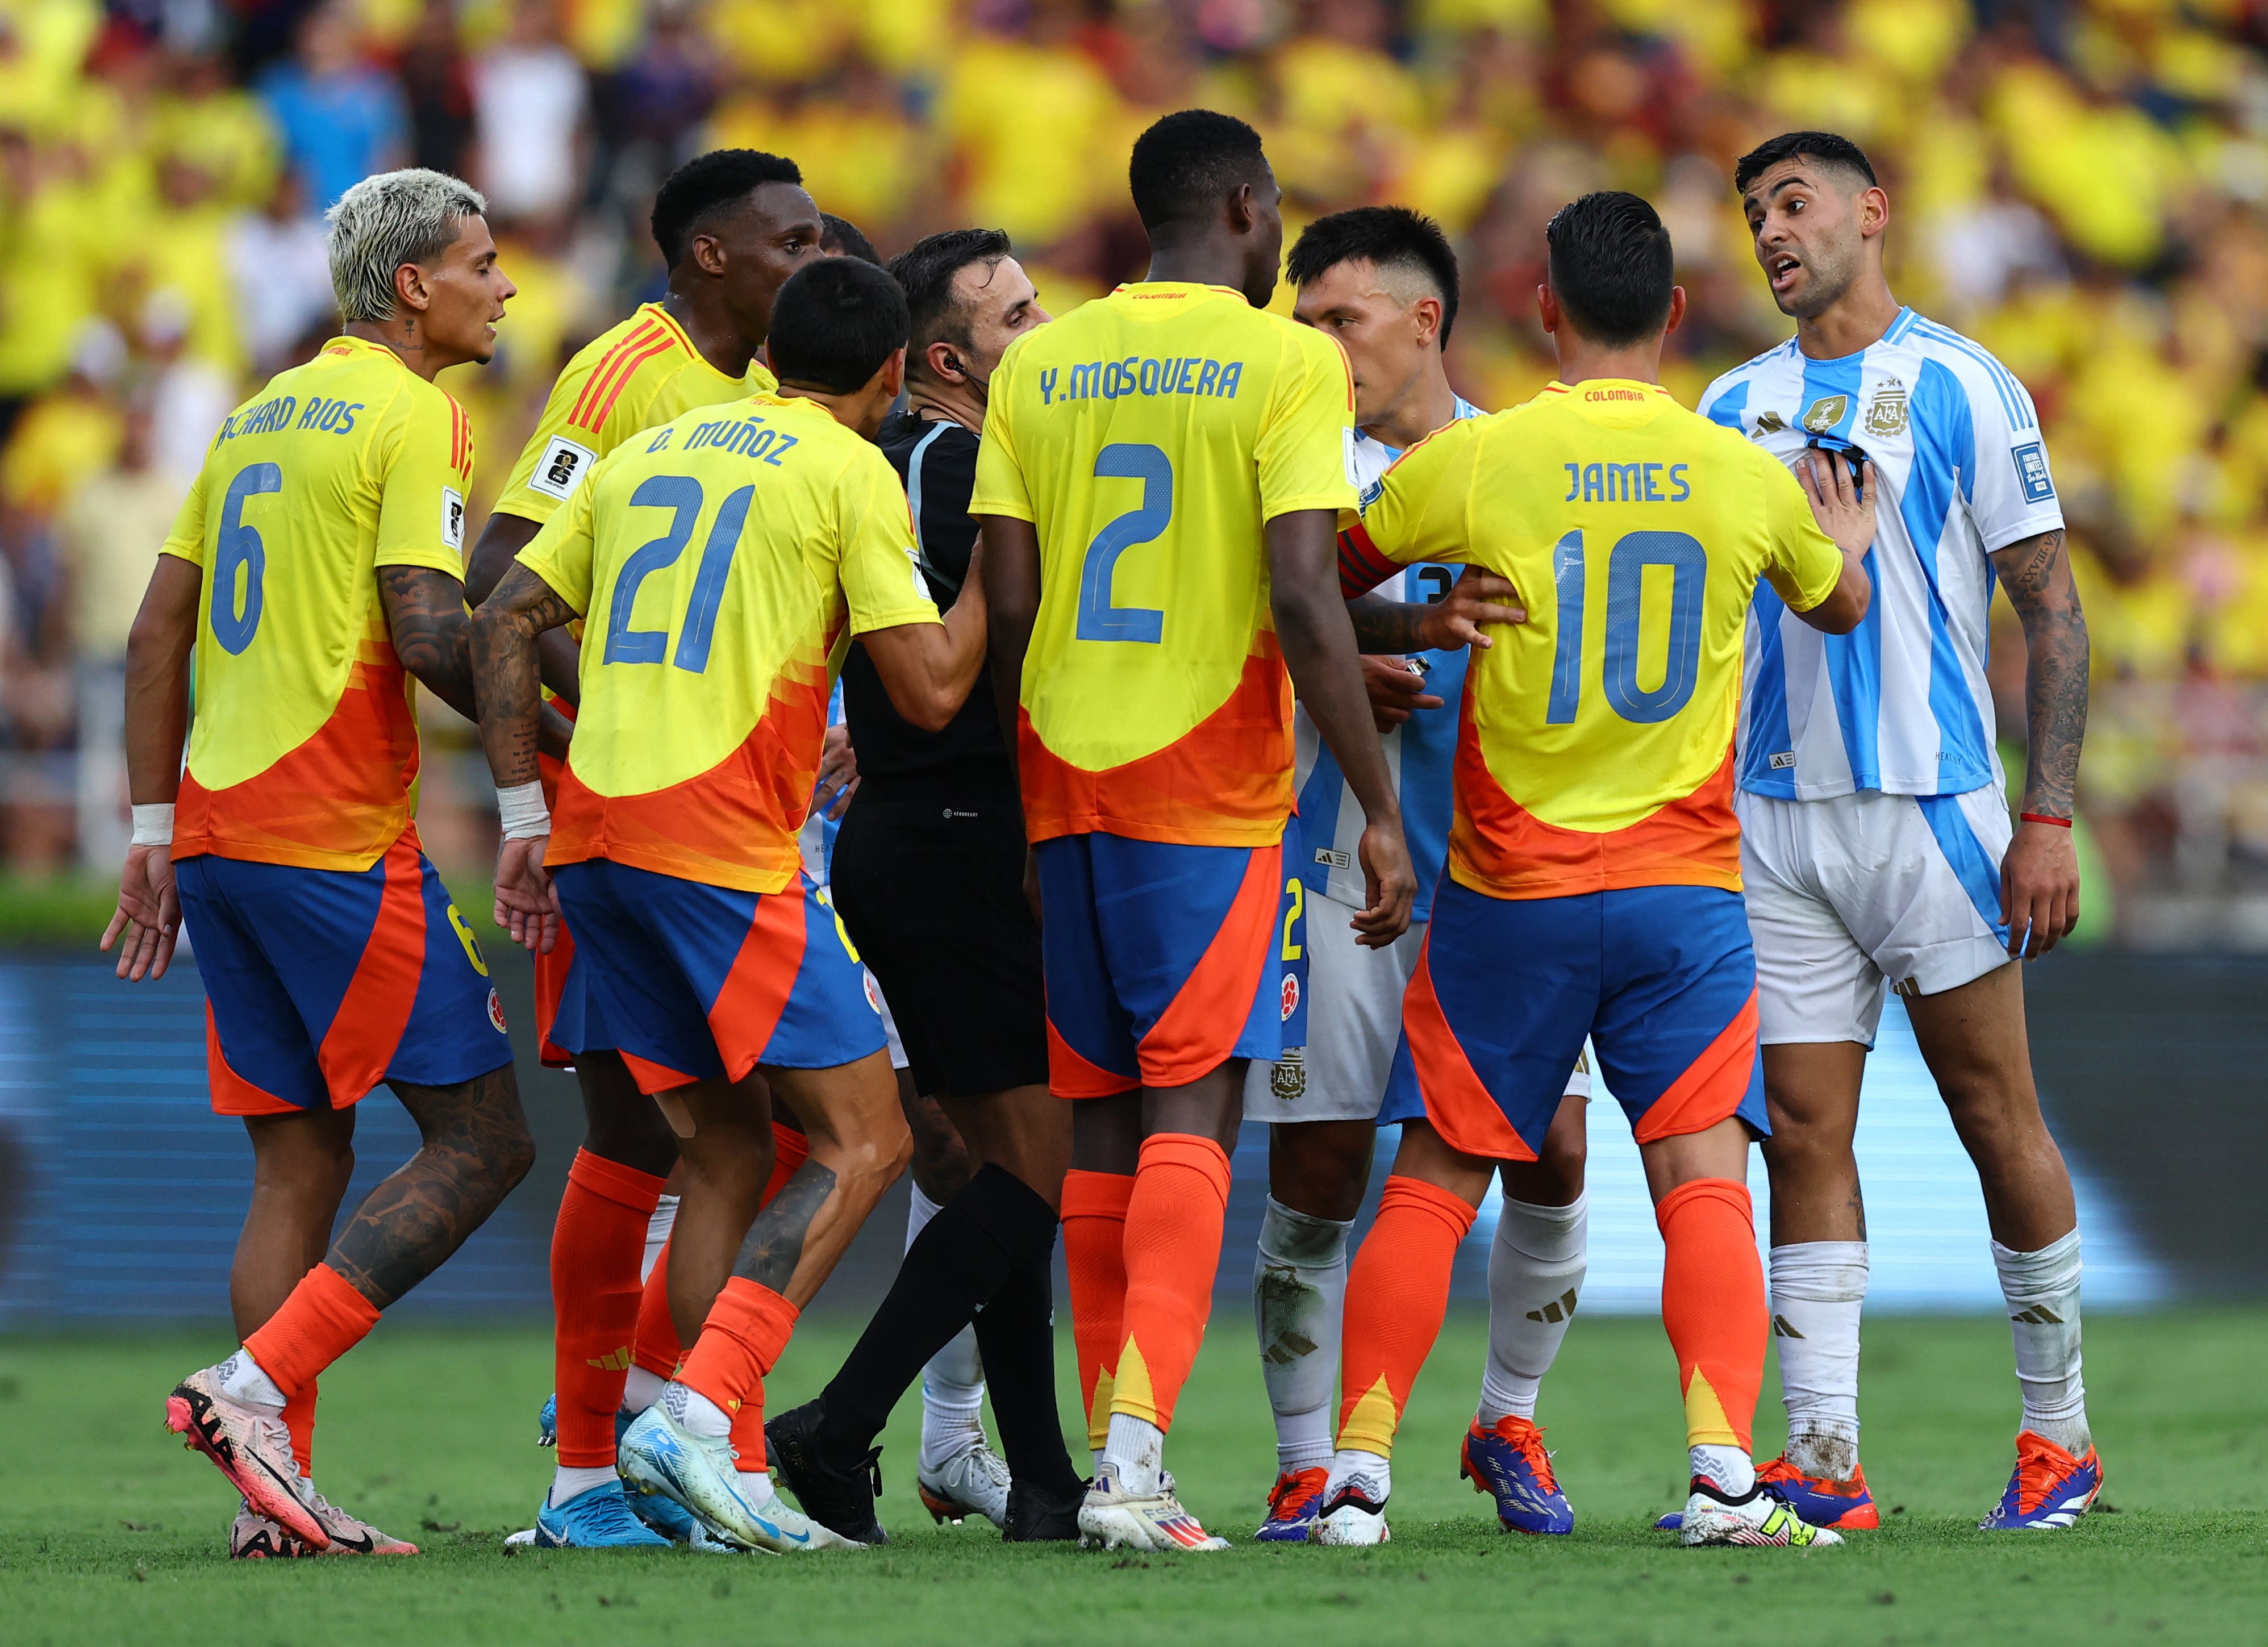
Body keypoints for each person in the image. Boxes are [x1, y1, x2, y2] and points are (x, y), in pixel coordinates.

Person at [1319, 190, 1873, 1550]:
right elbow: (1837, 600)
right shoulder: (1739, 471)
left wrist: (1417, 617)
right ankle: (1723, 1475)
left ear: (1543, 309)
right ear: (1677, 315)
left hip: (1512, 891)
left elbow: (1316, 575)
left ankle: (1354, 1476)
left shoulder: (1482, 459)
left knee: (1435, 1180)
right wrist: (1846, 549)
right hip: (1684, 897)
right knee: (1700, 1185)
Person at [470, 255, 991, 1554]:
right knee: (868, 1138)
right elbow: (927, 691)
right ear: (888, 375)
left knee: (721, 1151)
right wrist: (1003, 572)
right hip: (717, 847)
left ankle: (719, 1477)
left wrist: (525, 807)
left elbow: (501, 614)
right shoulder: (848, 470)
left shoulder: (658, 451)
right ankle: (698, 1410)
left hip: (597, 835)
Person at [975, 108, 1416, 1553]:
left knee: (1099, 1126)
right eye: (1278, 208)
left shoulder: (1036, 364)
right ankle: (1133, 1466)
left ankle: (1124, 1452)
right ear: (1243, 204)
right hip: (1206, 787)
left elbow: (1016, 605)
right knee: (1195, 1113)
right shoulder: (1289, 357)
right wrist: (1379, 810)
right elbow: (1302, 588)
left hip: (1064, 780)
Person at [107, 169, 538, 1560]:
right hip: (332, 836)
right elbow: (428, 631)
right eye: (482, 262)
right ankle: (247, 1397)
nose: (506, 285)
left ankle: (271, 1502)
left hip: (225, 837)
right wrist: (567, 740)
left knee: (298, 1160)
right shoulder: (418, 414)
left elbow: (154, 634)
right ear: (416, 285)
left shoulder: (255, 413)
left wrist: (153, 830)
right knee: (484, 1139)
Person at [1698, 131, 2099, 1533]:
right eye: (1754, 213)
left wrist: (2044, 815)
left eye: (1793, 202)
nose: (1770, 230)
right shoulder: (1728, 402)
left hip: (1935, 808)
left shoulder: (1961, 382)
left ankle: (2060, 1438)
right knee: (1803, 1128)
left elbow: (2050, 607)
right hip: (1777, 820)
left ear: (1873, 212)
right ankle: (1823, 1453)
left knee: (1998, 1117)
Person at [462, 147, 823, 1549]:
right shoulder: (628, 370)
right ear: (711, 255)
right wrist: (583, 745)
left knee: (741, 1136)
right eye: (790, 240)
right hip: (640, 816)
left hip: (725, 817)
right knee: (659, 1129)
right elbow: (498, 586)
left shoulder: (752, 398)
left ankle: (643, 1455)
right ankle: (597, 1473)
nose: (815, 258)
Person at [1249, 205, 1589, 1542]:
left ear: (1422, 320)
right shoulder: (1298, 465)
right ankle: (1298, 1458)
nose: (1319, 345)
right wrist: (1330, 671)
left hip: (1509, 870)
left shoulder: (1518, 461)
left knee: (1550, 1155)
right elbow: (1247, 621)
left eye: (1340, 319)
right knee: (1324, 1166)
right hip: (1332, 861)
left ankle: (1507, 1416)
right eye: (1306, 322)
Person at [762, 227, 1082, 1545]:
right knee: (1038, 1177)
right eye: (1016, 319)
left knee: (994, 1176)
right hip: (958, 838)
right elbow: (1021, 629)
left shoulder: (885, 460)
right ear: (943, 360)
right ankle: (833, 1427)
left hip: (908, 833)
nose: (1044, 330)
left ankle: (1044, 1485)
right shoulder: (953, 462)